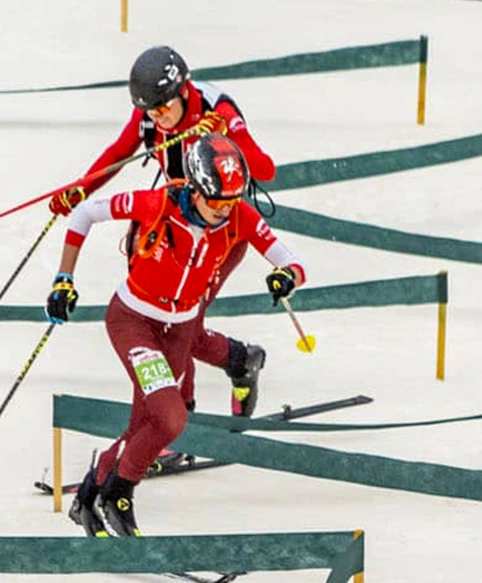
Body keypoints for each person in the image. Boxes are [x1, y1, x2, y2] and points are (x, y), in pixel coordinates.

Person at [48, 134, 306, 536]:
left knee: (142, 426)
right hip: (134, 321)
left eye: (231, 201)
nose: (224, 211)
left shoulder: (237, 214)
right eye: (216, 201)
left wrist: (285, 276)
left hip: (180, 330)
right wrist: (64, 279)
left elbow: (289, 259)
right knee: (170, 418)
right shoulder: (159, 203)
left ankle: (87, 498)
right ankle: (119, 493)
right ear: (196, 188)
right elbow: (84, 214)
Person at [48, 46, 281, 419]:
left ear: (184, 90)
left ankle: (178, 418)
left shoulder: (216, 108)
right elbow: (118, 153)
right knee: (163, 322)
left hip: (220, 232)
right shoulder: (148, 116)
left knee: (180, 324)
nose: (158, 118)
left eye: (163, 108)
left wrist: (224, 135)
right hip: (169, 224)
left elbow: (265, 169)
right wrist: (80, 190)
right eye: (150, 111)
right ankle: (239, 360)